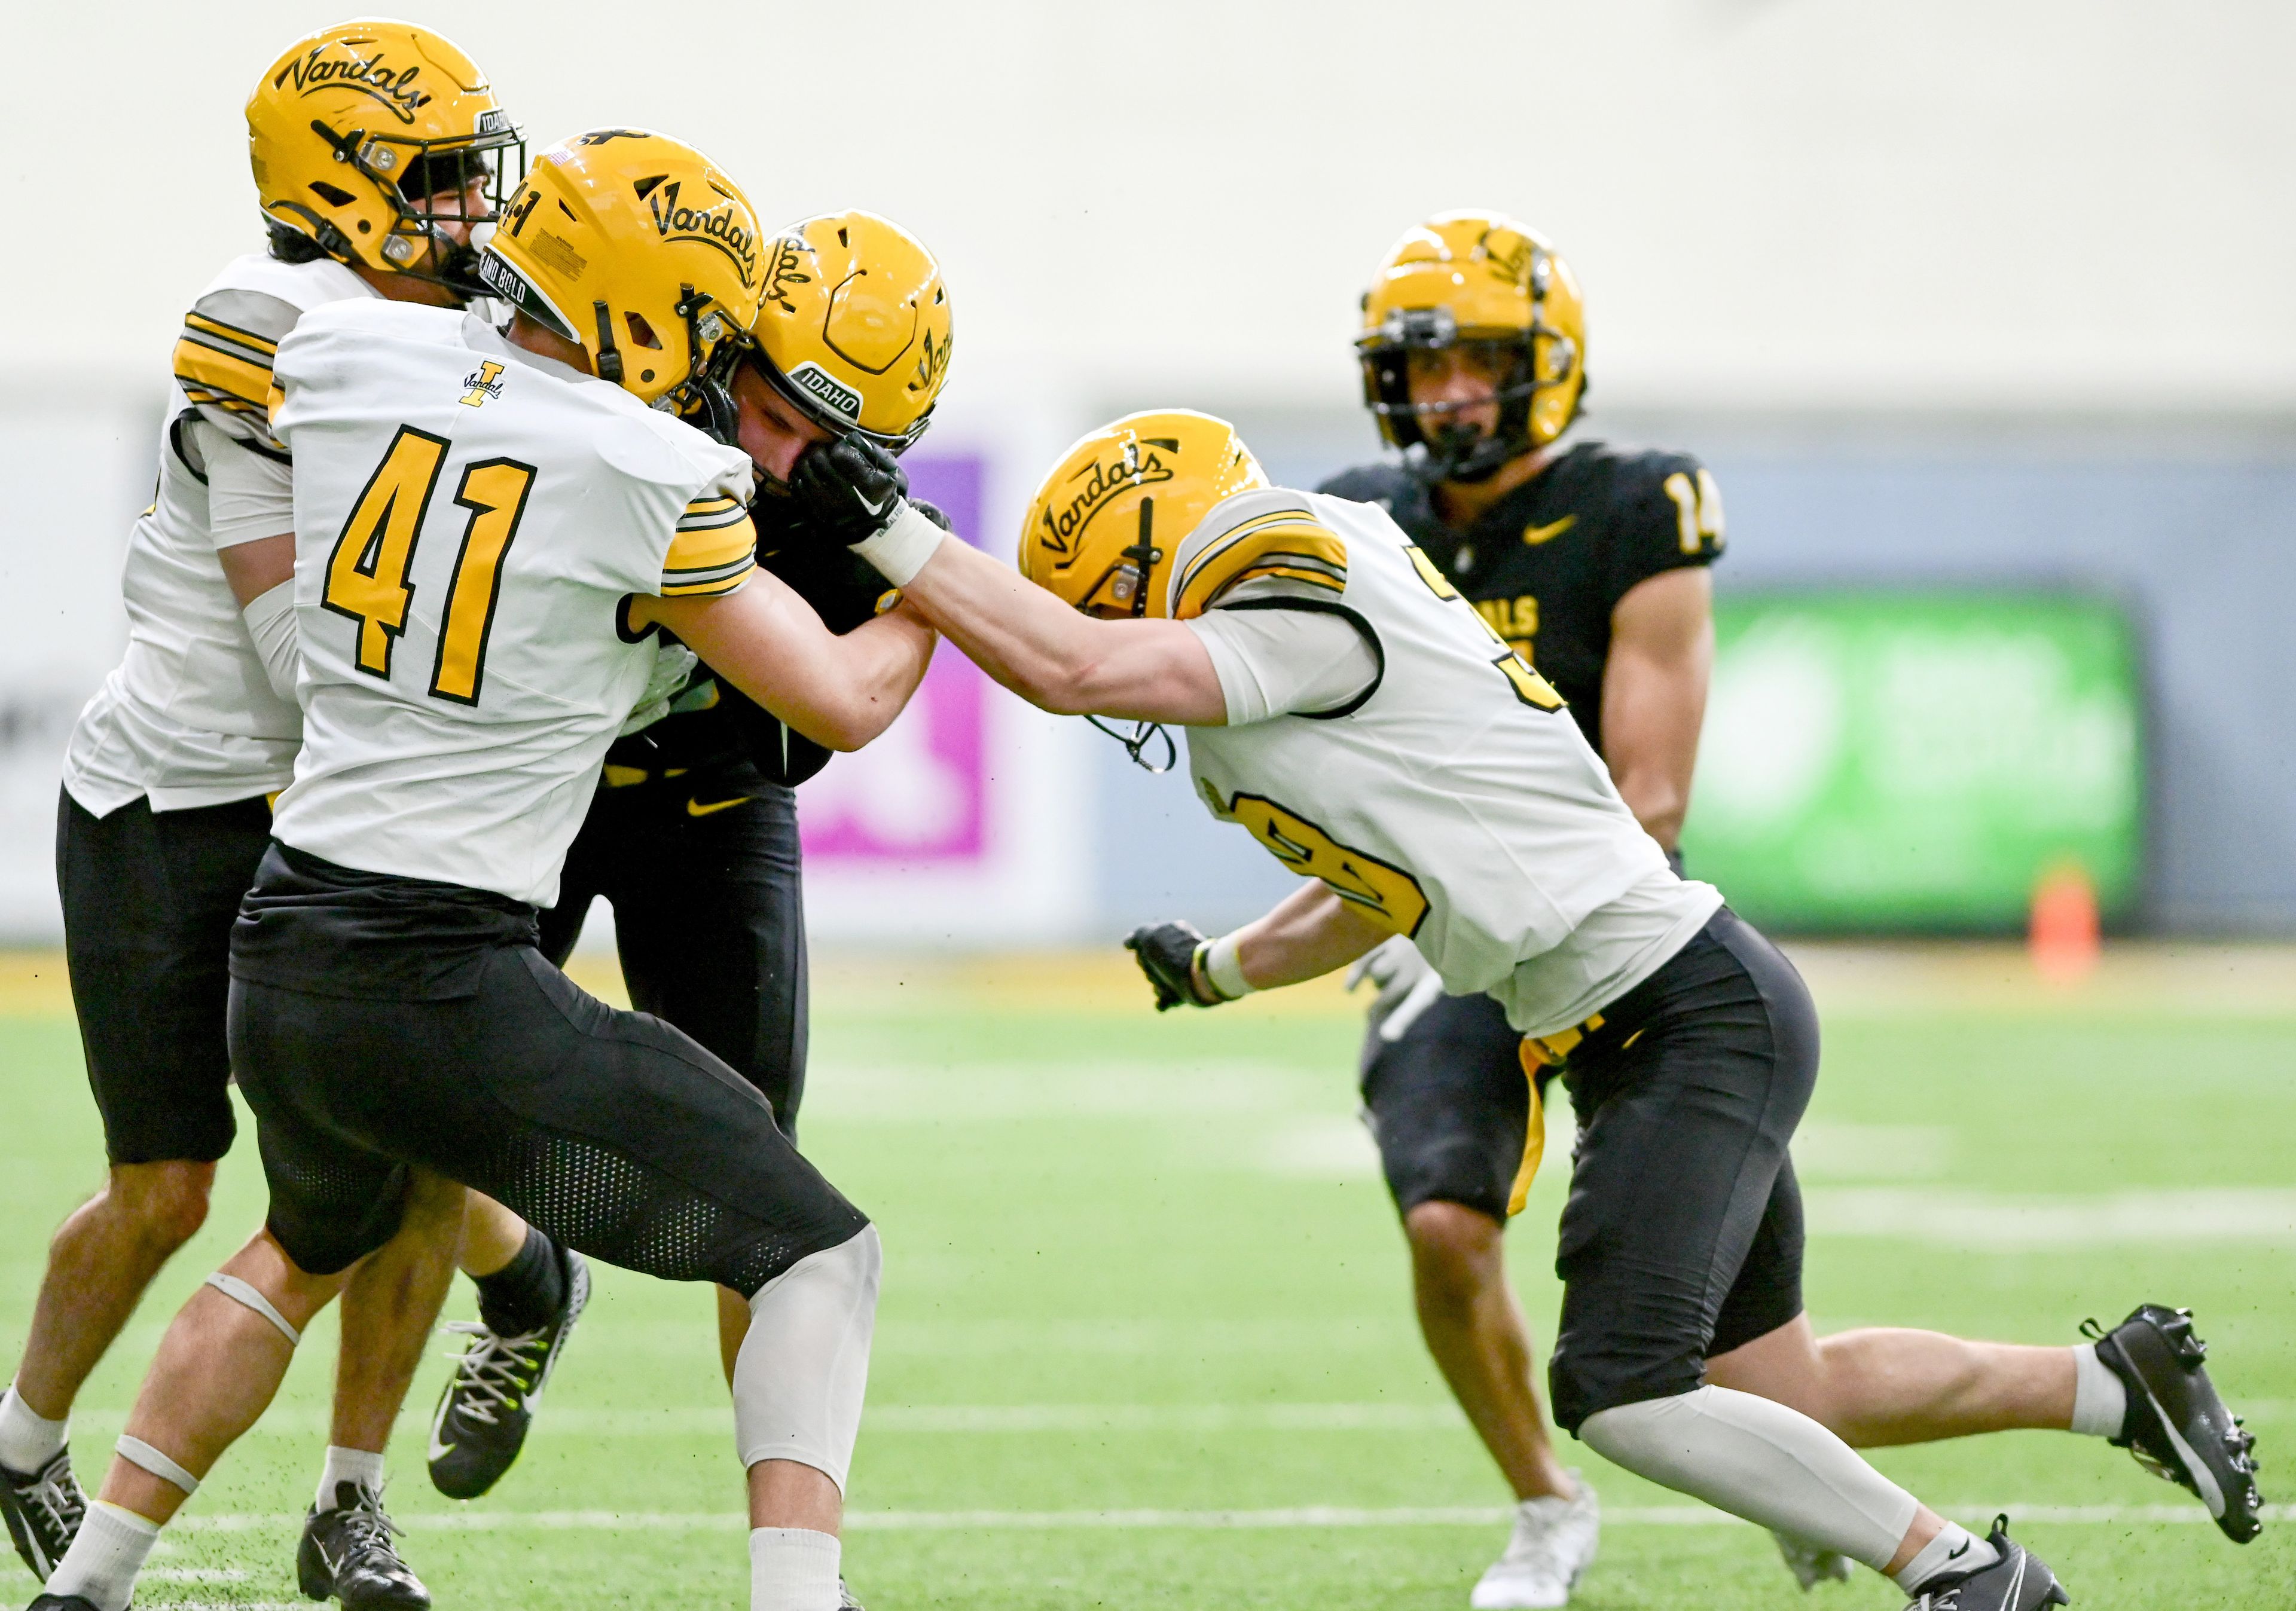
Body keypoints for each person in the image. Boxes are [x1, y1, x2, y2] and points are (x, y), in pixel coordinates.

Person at [778, 408, 2268, 1611]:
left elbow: (1069, 662)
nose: (1108, 630)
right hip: (1657, 1009)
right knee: (1778, 1382)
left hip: (1680, 1012)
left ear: (1168, 542)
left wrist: (895, 534)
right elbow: (1388, 890)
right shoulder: (1306, 649)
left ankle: (1963, 1575)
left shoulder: (1292, 577)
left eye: (1112, 582)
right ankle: (2109, 1382)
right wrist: (1223, 968)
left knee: (1624, 1392)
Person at [25, 129, 937, 1611]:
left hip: (287, 940)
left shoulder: (355, 370)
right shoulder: (657, 467)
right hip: (445, 970)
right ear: (651, 308)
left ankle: (88, 1587)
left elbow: (246, 335)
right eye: (707, 318)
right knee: (819, 1247)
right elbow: (841, 698)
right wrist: (933, 581)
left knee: (287, 1249)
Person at [16, 22, 526, 1607]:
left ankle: (352, 1498)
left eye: (467, 174)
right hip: (184, 805)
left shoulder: (471, 327)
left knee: (416, 1158)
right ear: (338, 184)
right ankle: (23, 1437)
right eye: (432, 178)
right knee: (169, 1189)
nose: (466, 210)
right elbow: (301, 652)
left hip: (336, 822)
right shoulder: (271, 334)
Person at [422, 209, 955, 1508]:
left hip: (711, 813)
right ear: (725, 352)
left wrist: (912, 570)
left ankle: (792, 1557)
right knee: (410, 1121)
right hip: (534, 795)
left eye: (830, 445)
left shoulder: (855, 525)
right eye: (771, 405)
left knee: (760, 1197)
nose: (782, 460)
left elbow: (826, 711)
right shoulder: (625, 410)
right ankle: (519, 1285)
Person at [1310, 210, 1723, 1606]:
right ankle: (1547, 1506)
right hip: (1443, 942)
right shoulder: (1360, 516)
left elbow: (1650, 795)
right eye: (1423, 368)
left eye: (1476, 360)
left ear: (1546, 360)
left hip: (1615, 930)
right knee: (1443, 1217)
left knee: (1739, 1336)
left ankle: (1818, 1465)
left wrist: (1476, 912)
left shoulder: (1634, 505)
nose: (1448, 394)